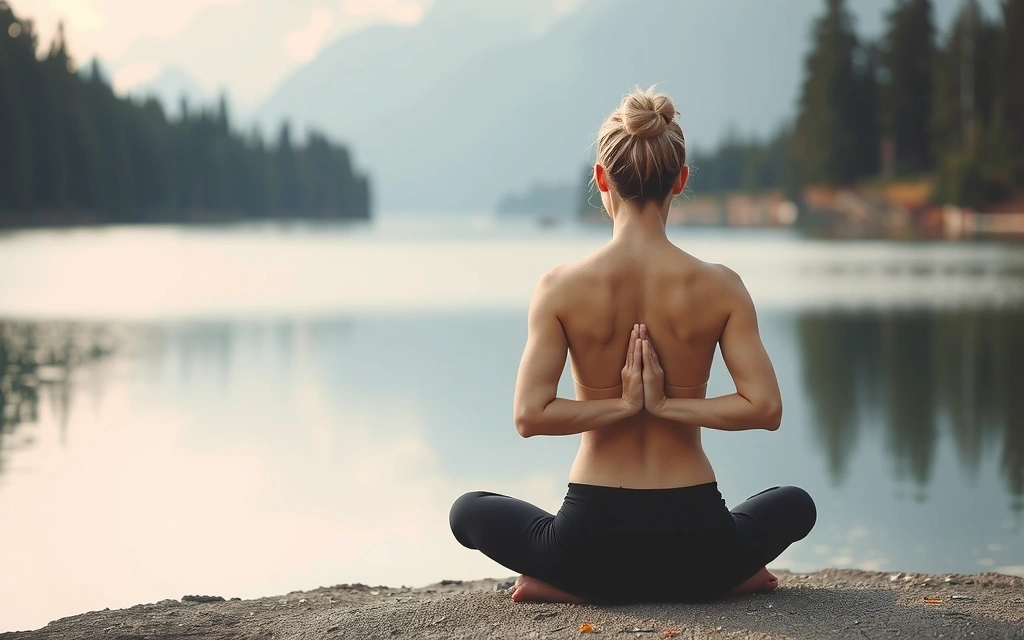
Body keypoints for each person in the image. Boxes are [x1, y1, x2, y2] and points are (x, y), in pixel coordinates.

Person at [449, 87, 815, 604]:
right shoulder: (722, 286)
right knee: (795, 503)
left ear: (601, 178)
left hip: (589, 542)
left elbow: (530, 416)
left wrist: (621, 405)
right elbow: (766, 408)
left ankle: (568, 584)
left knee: (469, 510)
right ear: (681, 180)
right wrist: (669, 406)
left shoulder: (560, 287)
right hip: (700, 541)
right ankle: (726, 578)